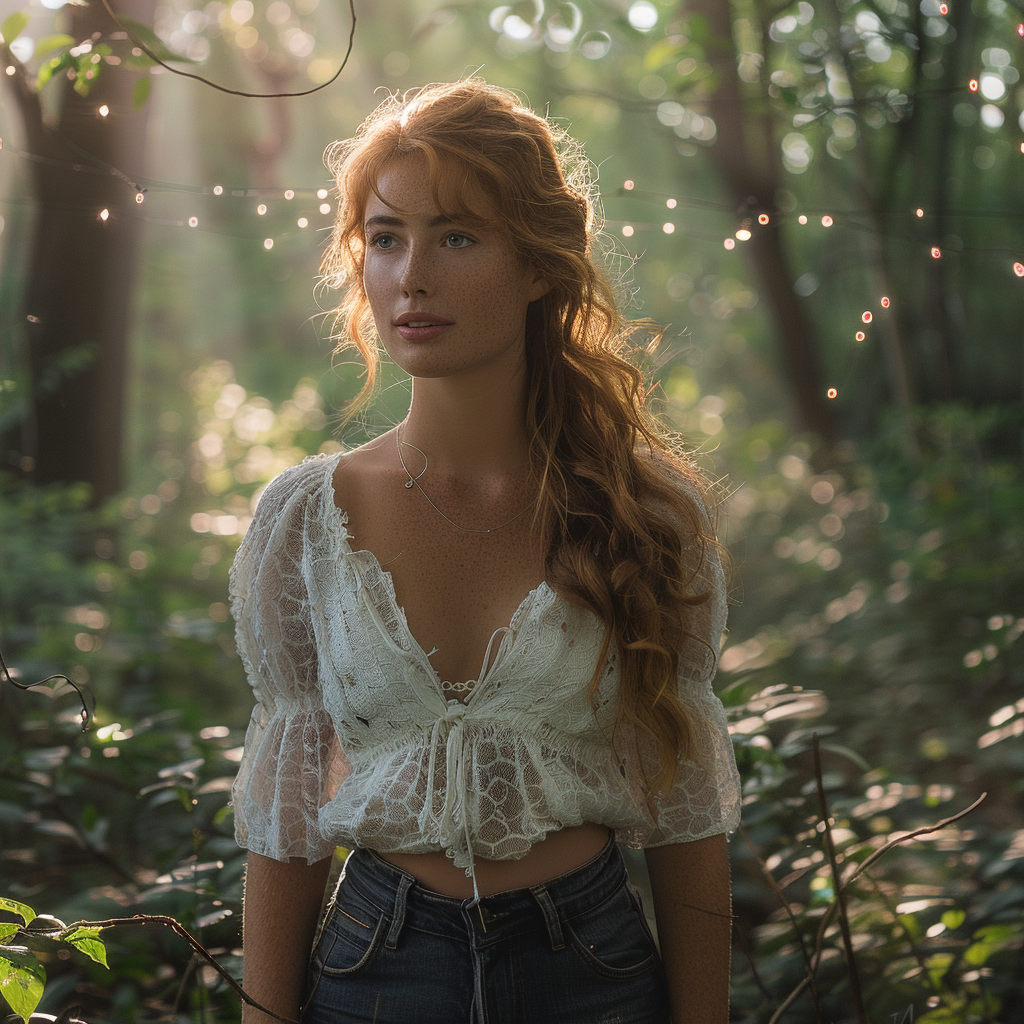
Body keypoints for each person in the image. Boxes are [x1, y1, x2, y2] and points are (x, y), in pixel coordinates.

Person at [229, 79, 741, 1024]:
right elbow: (288, 815)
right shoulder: (307, 518)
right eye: (385, 237)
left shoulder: (645, 510)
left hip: (588, 966)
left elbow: (685, 813)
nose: (410, 275)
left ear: (540, 263)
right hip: (374, 966)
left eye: (457, 236)